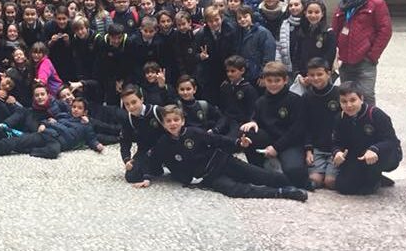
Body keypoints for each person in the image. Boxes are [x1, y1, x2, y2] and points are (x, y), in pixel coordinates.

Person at [149, 106, 307, 201]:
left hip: (223, 162)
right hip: (210, 177)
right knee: (234, 190)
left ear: (182, 120)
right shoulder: (163, 144)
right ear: (163, 124)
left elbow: (218, 139)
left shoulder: (194, 132)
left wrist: (238, 143)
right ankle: (281, 193)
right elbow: (154, 160)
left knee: (260, 175)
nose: (172, 124)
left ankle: (298, 184)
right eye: (168, 121)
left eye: (175, 120)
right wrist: (142, 175)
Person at [240, 61, 311, 189]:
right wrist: (253, 122)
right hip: (268, 139)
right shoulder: (261, 101)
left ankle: (279, 166)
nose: (273, 84)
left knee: (296, 174)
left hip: (289, 143)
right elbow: (256, 118)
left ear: (285, 80)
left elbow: (296, 130)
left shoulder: (295, 100)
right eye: (270, 80)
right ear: (264, 81)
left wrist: (276, 148)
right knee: (248, 132)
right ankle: (260, 168)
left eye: (277, 80)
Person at [330, 0, 392, 105]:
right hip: (345, 61)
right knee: (347, 96)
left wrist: (372, 55)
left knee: (366, 95)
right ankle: (350, 124)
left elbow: (385, 31)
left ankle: (370, 124)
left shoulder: (376, 4)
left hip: (365, 60)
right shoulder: (343, 5)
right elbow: (335, 30)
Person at [331, 82, 402, 195]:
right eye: (344, 101)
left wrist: (375, 149)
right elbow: (336, 142)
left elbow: (391, 141)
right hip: (359, 155)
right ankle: (374, 177)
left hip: (383, 154)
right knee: (343, 187)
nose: (348, 105)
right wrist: (337, 152)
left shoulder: (375, 114)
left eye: (353, 100)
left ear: (361, 99)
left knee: (366, 190)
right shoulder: (340, 118)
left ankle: (374, 178)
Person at [302, 57, 341, 189]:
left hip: (335, 147)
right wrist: (308, 150)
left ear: (328, 74)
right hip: (317, 148)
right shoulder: (307, 97)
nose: (316, 78)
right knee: (315, 181)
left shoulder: (338, 94)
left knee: (330, 182)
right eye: (312, 75)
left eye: (320, 74)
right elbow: (305, 125)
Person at [119, 85, 165, 187]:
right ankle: (155, 168)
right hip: (144, 150)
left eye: (134, 102)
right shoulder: (128, 119)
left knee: (181, 176)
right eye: (127, 104)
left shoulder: (156, 111)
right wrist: (127, 160)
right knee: (131, 176)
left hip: (165, 147)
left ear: (142, 99)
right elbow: (124, 141)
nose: (131, 107)